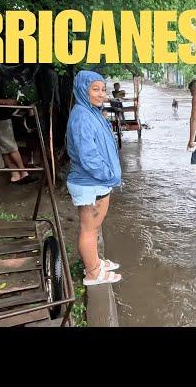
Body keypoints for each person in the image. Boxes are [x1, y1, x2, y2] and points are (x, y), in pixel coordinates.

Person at [66, 70, 122, 285]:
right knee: (89, 230)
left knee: (94, 228)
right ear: (83, 90)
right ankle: (92, 273)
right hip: (90, 183)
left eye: (103, 89)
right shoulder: (81, 116)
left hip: (96, 183)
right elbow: (88, 157)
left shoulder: (91, 112)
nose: (101, 94)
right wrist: (110, 175)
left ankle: (96, 263)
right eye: (95, 89)